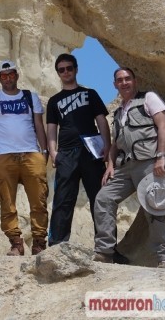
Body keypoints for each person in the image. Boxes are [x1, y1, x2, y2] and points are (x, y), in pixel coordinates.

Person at [93, 68, 165, 268]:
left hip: (148, 163)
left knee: (154, 207)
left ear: (135, 81)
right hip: (125, 167)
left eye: (127, 79)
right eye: (119, 80)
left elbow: (164, 126)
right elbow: (115, 143)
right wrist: (110, 165)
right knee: (103, 199)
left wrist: (161, 157)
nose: (124, 83)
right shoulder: (118, 111)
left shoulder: (149, 98)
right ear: (115, 85)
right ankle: (104, 253)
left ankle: (164, 256)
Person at [0, 60, 49, 256]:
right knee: (7, 202)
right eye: (4, 75)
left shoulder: (30, 97)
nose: (8, 78)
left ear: (17, 76)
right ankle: (16, 243)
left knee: (39, 200)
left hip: (31, 153)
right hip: (3, 155)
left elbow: (39, 126)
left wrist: (43, 153)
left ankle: (38, 242)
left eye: (11, 74)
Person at [46, 54, 110, 246]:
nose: (66, 72)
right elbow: (51, 128)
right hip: (66, 152)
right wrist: (53, 152)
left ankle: (106, 247)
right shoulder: (54, 100)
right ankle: (57, 244)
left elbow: (101, 120)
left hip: (91, 150)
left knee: (99, 198)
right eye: (61, 69)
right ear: (58, 73)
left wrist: (107, 144)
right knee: (63, 199)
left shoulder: (90, 93)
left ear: (76, 69)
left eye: (69, 68)